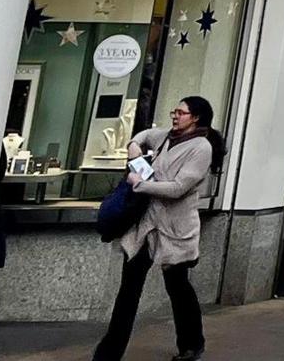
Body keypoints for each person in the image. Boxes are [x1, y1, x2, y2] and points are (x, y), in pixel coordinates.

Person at [94, 96, 222, 361]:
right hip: (145, 226)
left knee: (178, 287)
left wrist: (139, 184)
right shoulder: (165, 136)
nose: (175, 116)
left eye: (181, 112)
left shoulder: (201, 148)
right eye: (174, 111)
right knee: (128, 290)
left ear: (195, 118)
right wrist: (133, 146)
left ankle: (191, 343)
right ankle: (108, 354)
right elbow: (144, 135)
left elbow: (178, 188)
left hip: (175, 229)